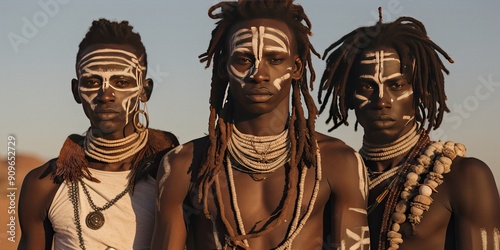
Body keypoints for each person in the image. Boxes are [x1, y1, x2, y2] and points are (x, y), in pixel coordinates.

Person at [152, 1, 370, 249]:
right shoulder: (183, 166)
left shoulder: (338, 162)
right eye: (244, 59)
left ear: (296, 68)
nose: (258, 74)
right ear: (224, 67)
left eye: (275, 59)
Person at [318, 10, 500, 250]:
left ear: (421, 92)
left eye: (396, 85)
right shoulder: (332, 179)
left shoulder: (464, 177)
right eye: (366, 86)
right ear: (349, 97)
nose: (381, 100)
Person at [18, 18, 179, 250]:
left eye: (121, 81)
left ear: (145, 90)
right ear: (76, 91)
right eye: (92, 81)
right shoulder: (44, 183)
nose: (105, 95)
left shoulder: (174, 176)